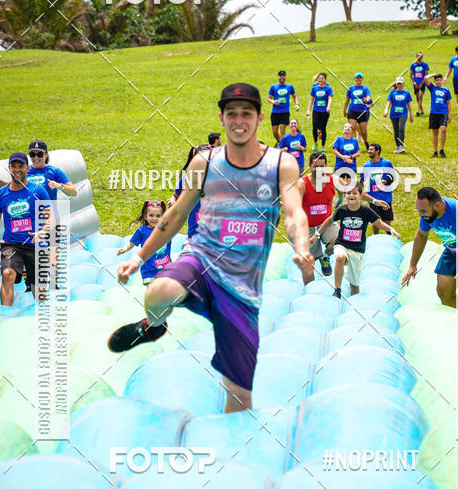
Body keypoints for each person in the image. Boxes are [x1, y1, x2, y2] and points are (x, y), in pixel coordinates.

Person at [107, 82, 313, 414]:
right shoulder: (203, 163)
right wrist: (139, 256)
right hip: (200, 258)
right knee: (158, 291)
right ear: (222, 118)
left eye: (246, 113)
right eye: (231, 113)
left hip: (243, 284)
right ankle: (154, 326)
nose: (239, 120)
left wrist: (301, 246)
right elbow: (175, 214)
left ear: (260, 117)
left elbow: (294, 212)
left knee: (239, 394)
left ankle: (232, 453)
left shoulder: (281, 164)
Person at [0, 152, 52, 305]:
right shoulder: (0, 195)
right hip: (11, 244)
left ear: (27, 168)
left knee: (39, 292)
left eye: (21, 166)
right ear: (9, 168)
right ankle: (5, 315)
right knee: (7, 274)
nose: (17, 169)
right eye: (13, 166)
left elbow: (50, 218)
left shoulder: (38, 191)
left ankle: (42, 318)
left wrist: (44, 232)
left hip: (35, 244)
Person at [316, 180, 399, 298]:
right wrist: (317, 234)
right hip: (342, 244)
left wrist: (390, 229)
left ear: (361, 196)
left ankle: (355, 299)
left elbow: (379, 223)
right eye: (348, 193)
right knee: (340, 257)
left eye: (355, 193)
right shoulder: (342, 210)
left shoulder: (366, 211)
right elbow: (330, 220)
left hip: (357, 249)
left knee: (354, 286)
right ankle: (337, 290)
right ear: (344, 195)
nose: (351, 195)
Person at [0, 139, 77, 200]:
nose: (36, 157)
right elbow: (14, 186)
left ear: (46, 154)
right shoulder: (26, 170)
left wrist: (60, 186)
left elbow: (74, 192)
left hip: (48, 216)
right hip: (30, 216)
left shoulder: (54, 172)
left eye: (39, 154)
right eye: (32, 154)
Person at [298, 151, 338, 281]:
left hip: (326, 223)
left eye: (322, 166)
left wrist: (373, 201)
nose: (319, 170)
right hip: (306, 227)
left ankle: (325, 257)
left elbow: (353, 191)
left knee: (339, 240)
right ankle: (309, 291)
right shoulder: (302, 183)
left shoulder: (333, 180)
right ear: (309, 166)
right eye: (316, 166)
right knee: (307, 263)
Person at [117, 200, 171, 283]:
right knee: (153, 293)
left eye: (158, 216)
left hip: (166, 268)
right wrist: (124, 249)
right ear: (146, 216)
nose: (154, 218)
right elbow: (131, 243)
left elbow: (174, 216)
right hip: (149, 270)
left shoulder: (166, 228)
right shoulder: (142, 231)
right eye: (151, 215)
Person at [361, 143, 396, 233]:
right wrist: (362, 184)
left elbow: (392, 177)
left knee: (387, 221)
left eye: (371, 149)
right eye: (369, 149)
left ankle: (389, 237)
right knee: (375, 221)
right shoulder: (366, 165)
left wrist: (385, 181)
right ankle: (375, 238)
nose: (369, 151)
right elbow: (362, 179)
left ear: (377, 151)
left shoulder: (386, 163)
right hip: (373, 197)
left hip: (385, 197)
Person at [423, 72, 452, 157]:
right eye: (437, 80)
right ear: (435, 81)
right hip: (434, 112)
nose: (439, 82)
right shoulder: (432, 88)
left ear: (442, 80)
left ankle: (442, 149)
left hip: (443, 113)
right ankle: (435, 151)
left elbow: (448, 103)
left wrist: (449, 114)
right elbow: (425, 78)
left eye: (440, 80)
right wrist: (433, 74)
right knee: (435, 132)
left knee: (443, 129)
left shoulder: (446, 90)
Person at [383, 77, 413, 153]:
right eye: (398, 83)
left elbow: (409, 104)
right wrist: (386, 110)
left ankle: (401, 146)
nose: (399, 85)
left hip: (403, 114)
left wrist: (411, 115)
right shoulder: (392, 92)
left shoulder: (406, 93)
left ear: (403, 84)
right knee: (396, 131)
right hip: (394, 114)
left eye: (401, 83)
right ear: (396, 84)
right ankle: (397, 147)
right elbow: (389, 102)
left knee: (401, 128)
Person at [268, 71, 298, 143]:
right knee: (274, 132)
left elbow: (294, 96)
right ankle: (280, 142)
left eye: (283, 76)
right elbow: (269, 98)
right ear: (278, 77)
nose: (282, 77)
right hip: (275, 111)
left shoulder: (289, 87)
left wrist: (297, 104)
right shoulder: (273, 87)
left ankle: (281, 147)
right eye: (280, 76)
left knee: (282, 130)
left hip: (285, 111)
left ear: (285, 77)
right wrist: (273, 101)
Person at [343, 73, 373, 145]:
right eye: (357, 78)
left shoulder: (365, 88)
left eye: (360, 78)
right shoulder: (351, 88)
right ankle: (355, 145)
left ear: (362, 79)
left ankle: (366, 142)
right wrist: (344, 109)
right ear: (354, 79)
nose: (358, 79)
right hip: (352, 111)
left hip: (362, 111)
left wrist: (367, 99)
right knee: (352, 128)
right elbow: (347, 100)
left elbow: (369, 96)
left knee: (363, 131)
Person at [306, 72, 333, 149]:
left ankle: (323, 146)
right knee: (314, 127)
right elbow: (311, 100)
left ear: (325, 79)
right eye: (319, 78)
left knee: (323, 128)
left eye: (322, 78)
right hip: (316, 111)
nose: (321, 80)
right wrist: (308, 110)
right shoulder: (314, 88)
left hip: (325, 111)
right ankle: (315, 143)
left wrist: (328, 106)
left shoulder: (328, 88)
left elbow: (330, 98)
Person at [410, 51, 430, 116]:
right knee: (417, 98)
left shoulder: (424, 64)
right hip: (416, 83)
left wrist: (422, 83)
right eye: (418, 56)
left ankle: (418, 111)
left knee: (420, 96)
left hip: (422, 83)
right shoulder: (413, 65)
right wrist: (415, 83)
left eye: (421, 56)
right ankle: (422, 110)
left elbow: (426, 75)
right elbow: (411, 75)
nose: (420, 57)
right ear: (416, 57)